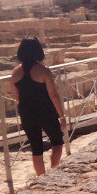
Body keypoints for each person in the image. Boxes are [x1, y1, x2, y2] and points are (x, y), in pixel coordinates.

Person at [10, 37, 67, 175]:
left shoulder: (15, 73)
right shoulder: (44, 71)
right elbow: (53, 95)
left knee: (36, 148)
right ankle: (54, 170)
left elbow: (16, 96)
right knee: (57, 141)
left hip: (27, 112)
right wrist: (61, 115)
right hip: (45, 110)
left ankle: (41, 177)